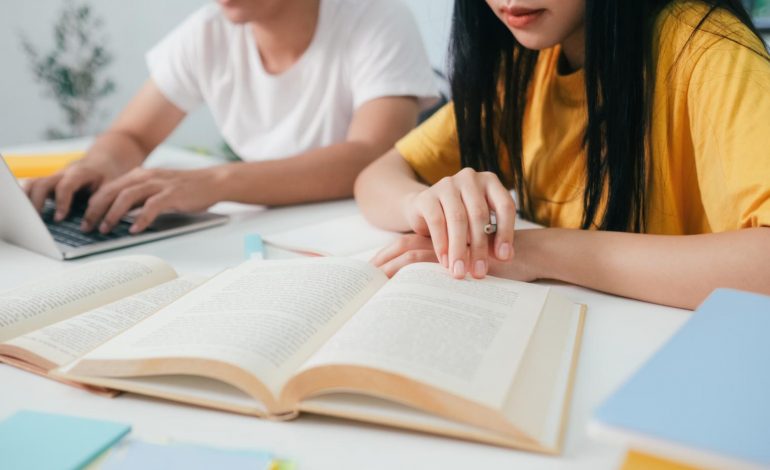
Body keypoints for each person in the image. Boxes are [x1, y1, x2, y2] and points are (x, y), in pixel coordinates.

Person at [355, 0, 770, 310]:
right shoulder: (527, 67)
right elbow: (377, 177)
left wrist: (532, 250)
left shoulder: (708, 50)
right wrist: (426, 206)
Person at [25, 0, 437, 235]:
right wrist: (96, 166)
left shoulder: (376, 19)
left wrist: (215, 182)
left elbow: (369, 157)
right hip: (267, 233)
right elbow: (132, 135)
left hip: (365, 232)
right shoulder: (206, 34)